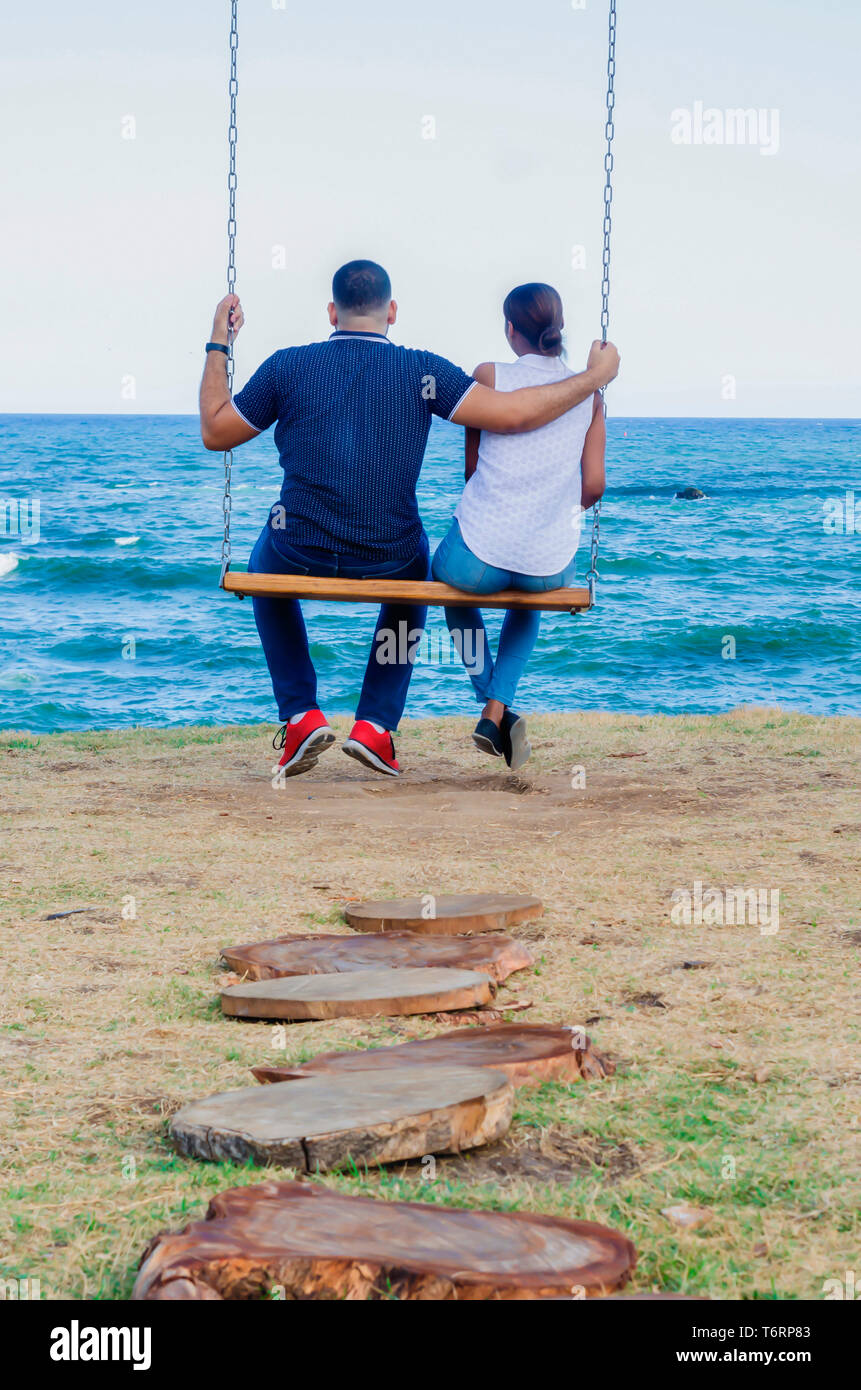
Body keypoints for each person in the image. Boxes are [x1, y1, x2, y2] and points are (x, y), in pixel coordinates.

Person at [200, 261, 619, 779]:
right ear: (392, 312)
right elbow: (515, 414)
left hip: (297, 546)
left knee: (264, 569)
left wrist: (219, 343)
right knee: (417, 569)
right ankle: (375, 726)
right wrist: (596, 378)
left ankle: (302, 714)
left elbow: (216, 431)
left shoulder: (287, 366)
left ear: (332, 312)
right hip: (389, 553)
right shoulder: (423, 371)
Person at [432, 283, 607, 771]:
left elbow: (472, 471)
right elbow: (594, 485)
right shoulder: (590, 397)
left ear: (510, 329)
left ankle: (491, 701)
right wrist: (549, 506)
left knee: (444, 582)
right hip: (549, 567)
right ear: (559, 329)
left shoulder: (488, 376)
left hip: (478, 559)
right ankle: (497, 711)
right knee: (526, 595)